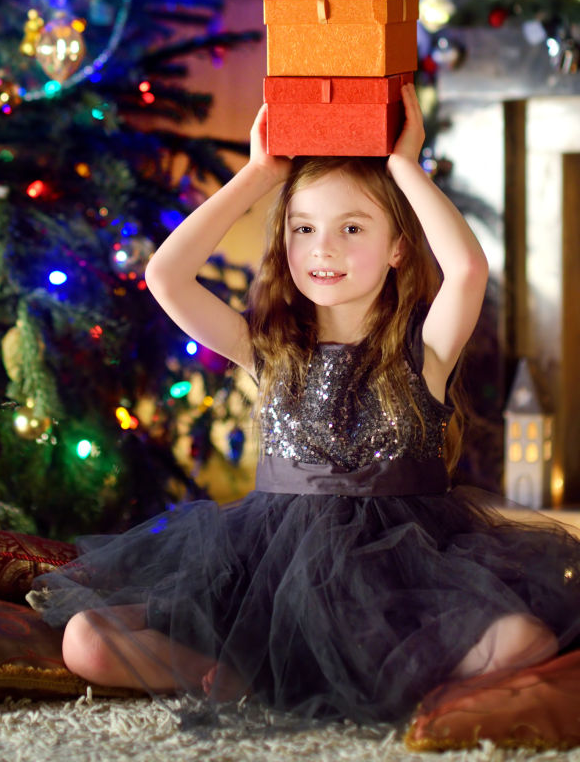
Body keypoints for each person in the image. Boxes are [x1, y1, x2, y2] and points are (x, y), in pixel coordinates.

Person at [28, 85, 580, 723]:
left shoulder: (425, 351)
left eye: (352, 228)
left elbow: (468, 271)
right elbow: (165, 276)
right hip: (270, 570)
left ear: (399, 247)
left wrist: (405, 165)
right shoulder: (269, 352)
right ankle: (243, 676)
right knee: (86, 640)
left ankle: (386, 684)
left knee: (526, 641)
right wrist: (259, 174)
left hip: (401, 579)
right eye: (304, 228)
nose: (323, 248)